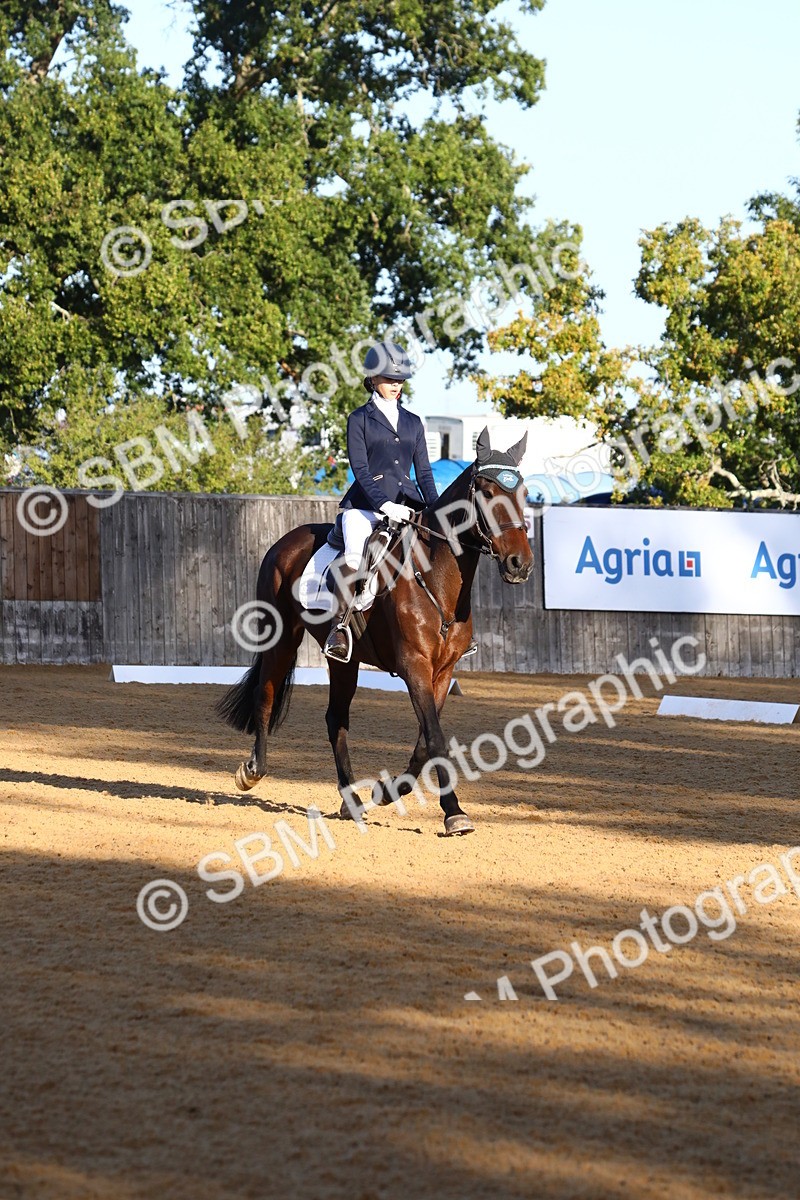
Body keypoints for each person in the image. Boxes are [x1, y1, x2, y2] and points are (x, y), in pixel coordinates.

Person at [323, 340, 439, 662]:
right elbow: (359, 469)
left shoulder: (414, 422)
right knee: (354, 555)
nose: (396, 386)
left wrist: (436, 509)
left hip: (409, 506)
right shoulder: (359, 419)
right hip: (365, 507)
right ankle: (340, 628)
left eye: (400, 381)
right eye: (390, 380)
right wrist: (384, 505)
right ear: (373, 379)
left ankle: (446, 626)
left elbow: (425, 473)